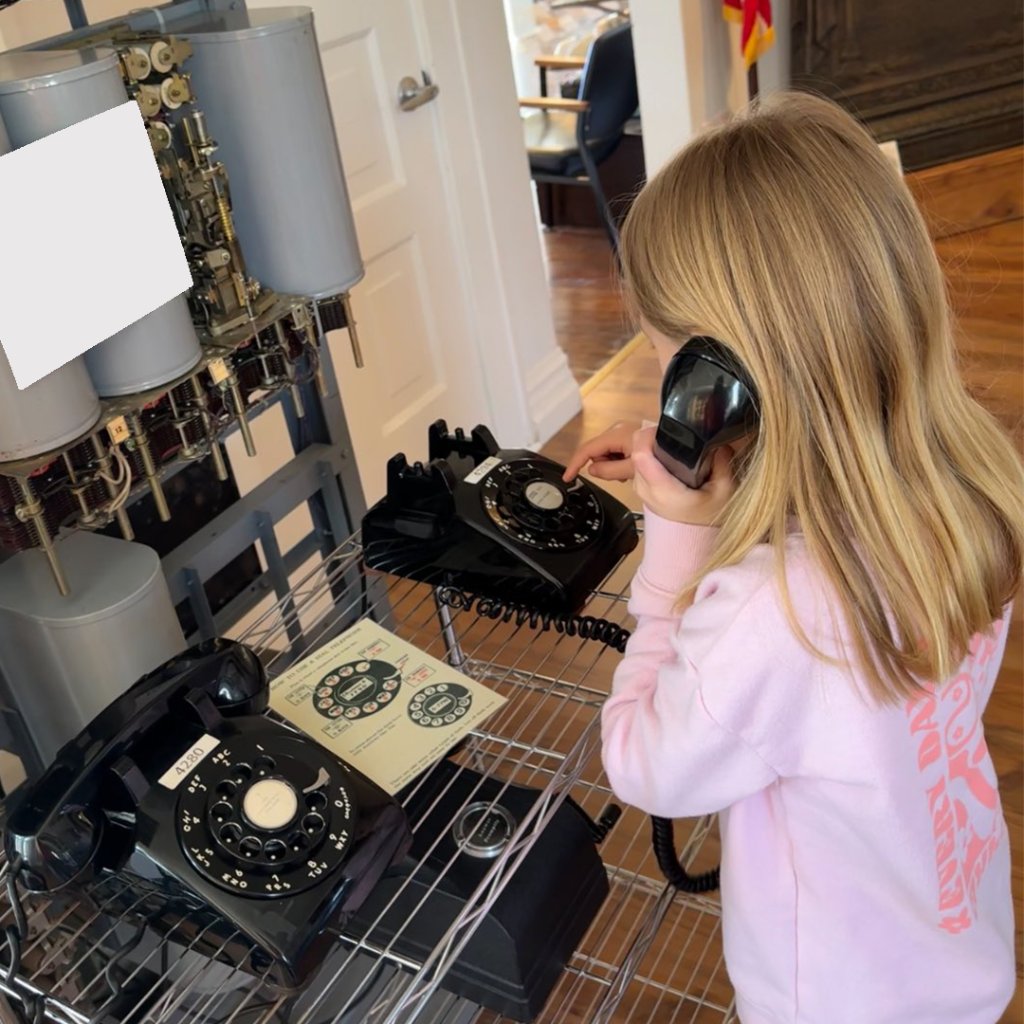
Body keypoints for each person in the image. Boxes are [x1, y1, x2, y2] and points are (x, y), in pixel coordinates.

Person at [562, 92, 1023, 1024]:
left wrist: (683, 541)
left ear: (728, 389)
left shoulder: (774, 611)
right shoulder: (971, 473)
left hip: (834, 1001)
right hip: (952, 936)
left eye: (669, 369)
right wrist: (721, 480)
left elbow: (644, 764)